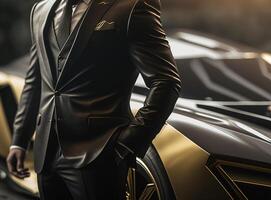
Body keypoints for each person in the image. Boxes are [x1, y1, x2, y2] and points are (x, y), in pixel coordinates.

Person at [6, 0, 181, 199]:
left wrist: (128, 143)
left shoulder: (132, 6)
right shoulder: (41, 9)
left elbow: (166, 81)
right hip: (46, 153)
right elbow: (35, 80)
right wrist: (19, 141)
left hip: (99, 152)